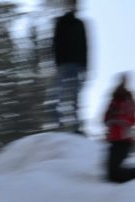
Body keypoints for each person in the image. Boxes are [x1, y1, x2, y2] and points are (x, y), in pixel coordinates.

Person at [52, 0, 88, 133]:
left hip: (77, 66)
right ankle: (57, 124)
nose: (74, 7)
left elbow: (85, 47)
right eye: (71, 5)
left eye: (75, 5)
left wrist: (85, 68)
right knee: (58, 96)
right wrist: (57, 63)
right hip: (63, 65)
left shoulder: (80, 24)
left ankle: (76, 127)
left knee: (74, 99)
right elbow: (56, 43)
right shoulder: (61, 22)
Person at [103, 73, 135, 184]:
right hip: (113, 141)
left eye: (124, 81)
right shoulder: (113, 101)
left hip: (124, 141)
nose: (122, 83)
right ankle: (134, 175)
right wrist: (112, 119)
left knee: (114, 173)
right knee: (110, 175)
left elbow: (131, 119)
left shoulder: (129, 100)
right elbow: (105, 119)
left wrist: (117, 119)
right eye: (121, 81)